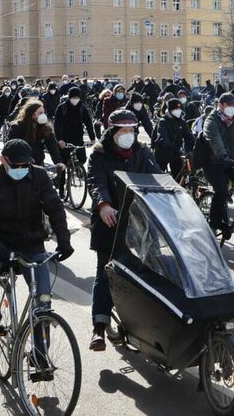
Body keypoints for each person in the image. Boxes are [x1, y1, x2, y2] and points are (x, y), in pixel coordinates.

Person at [0, 140, 73, 344]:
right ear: (3, 160)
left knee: (43, 300)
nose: (21, 170)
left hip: (32, 245)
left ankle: (41, 354)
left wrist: (64, 240)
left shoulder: (39, 175)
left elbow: (54, 207)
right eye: (16, 166)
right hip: (0, 245)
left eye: (25, 166)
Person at [86, 109, 160, 351]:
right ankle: (98, 327)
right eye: (123, 130)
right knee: (105, 272)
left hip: (139, 221)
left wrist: (174, 198)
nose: (128, 134)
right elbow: (96, 183)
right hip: (111, 223)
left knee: (155, 268)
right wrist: (104, 206)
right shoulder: (99, 153)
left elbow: (156, 178)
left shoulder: (142, 151)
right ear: (113, 131)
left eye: (132, 130)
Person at [198, 93, 234, 237]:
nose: (232, 108)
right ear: (220, 105)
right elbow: (215, 140)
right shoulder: (211, 120)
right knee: (221, 191)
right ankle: (214, 223)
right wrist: (223, 156)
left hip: (230, 162)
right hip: (212, 163)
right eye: (229, 105)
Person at [8, 99, 64, 170]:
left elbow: (52, 146)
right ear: (32, 114)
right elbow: (10, 147)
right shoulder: (17, 127)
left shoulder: (45, 128)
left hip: (38, 165)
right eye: (40, 113)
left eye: (43, 112)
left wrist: (58, 162)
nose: (43, 115)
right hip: (20, 165)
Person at [152, 98, 196, 176]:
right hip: (162, 152)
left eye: (179, 109)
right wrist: (169, 145)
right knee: (158, 174)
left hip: (175, 152)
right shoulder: (163, 121)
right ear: (170, 110)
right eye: (176, 109)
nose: (178, 111)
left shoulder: (182, 122)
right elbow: (162, 136)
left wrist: (194, 146)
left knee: (179, 174)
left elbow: (189, 136)